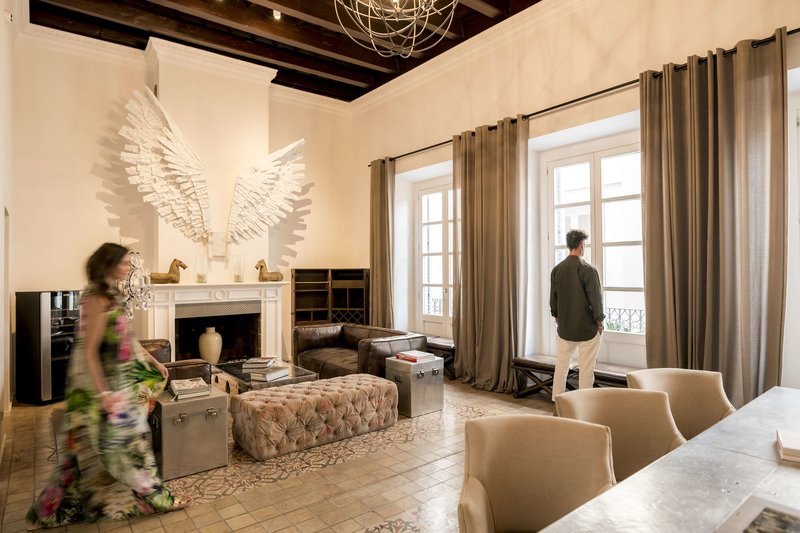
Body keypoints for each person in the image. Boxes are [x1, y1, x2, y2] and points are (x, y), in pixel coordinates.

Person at [27, 243, 187, 528]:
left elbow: (125, 338)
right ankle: (158, 499)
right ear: (109, 263)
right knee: (130, 447)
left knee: (86, 454)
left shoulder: (112, 294)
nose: (129, 268)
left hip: (118, 386)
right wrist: (103, 394)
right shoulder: (94, 299)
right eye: (124, 263)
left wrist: (153, 361)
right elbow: (89, 352)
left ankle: (53, 510)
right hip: (102, 391)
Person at [549, 229, 605, 398]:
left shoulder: (557, 270)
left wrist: (558, 318)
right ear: (581, 245)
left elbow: (553, 300)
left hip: (565, 329)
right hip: (586, 329)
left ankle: (558, 401)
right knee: (586, 369)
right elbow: (596, 300)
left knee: (561, 366)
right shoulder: (588, 270)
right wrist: (599, 321)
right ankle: (584, 405)